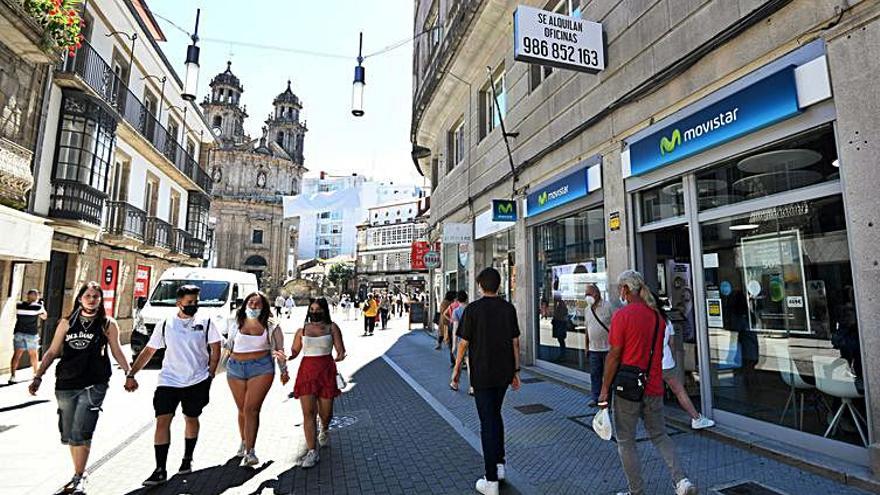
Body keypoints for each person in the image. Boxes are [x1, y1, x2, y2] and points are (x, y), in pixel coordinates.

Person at [598, 270, 697, 495]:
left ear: (625, 290)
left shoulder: (622, 317)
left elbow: (614, 356)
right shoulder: (657, 317)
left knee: (626, 441)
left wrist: (604, 390)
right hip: (653, 386)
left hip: (628, 390)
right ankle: (681, 481)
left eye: (619, 289)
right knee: (660, 435)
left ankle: (637, 491)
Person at [28, 282, 132, 493]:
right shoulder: (67, 322)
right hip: (66, 382)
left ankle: (79, 475)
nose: (92, 299)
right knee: (68, 433)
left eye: (96, 296)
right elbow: (52, 351)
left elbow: (117, 350)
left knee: (82, 429)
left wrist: (129, 373)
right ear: (80, 298)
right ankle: (78, 471)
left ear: (100, 300)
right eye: (88, 296)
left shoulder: (107, 323)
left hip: (95, 382)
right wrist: (38, 376)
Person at [126, 285, 222, 487]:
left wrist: (211, 372)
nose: (193, 306)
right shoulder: (166, 323)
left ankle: (187, 459)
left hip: (196, 380)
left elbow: (215, 346)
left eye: (196, 302)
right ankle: (160, 469)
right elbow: (149, 350)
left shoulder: (206, 322)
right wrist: (132, 373)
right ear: (179, 303)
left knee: (191, 418)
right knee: (162, 421)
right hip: (168, 380)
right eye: (189, 302)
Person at [451, 268, 521, 495]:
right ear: (499, 286)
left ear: (481, 285)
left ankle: (491, 480)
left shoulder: (473, 310)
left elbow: (463, 344)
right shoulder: (508, 308)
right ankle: (499, 467)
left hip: (482, 374)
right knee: (495, 417)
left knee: (487, 423)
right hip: (503, 373)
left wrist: (456, 371)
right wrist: (516, 371)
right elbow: (515, 342)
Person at [225, 291, 289, 466]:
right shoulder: (236, 321)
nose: (253, 306)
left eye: (257, 304)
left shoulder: (271, 326)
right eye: (251, 302)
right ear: (245, 304)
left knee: (251, 409)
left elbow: (281, 350)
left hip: (261, 368)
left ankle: (250, 452)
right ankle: (244, 441)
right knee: (242, 410)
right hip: (235, 368)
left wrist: (284, 371)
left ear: (264, 307)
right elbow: (229, 345)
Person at [290, 298, 346, 468]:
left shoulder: (332, 327)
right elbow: (294, 351)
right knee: (308, 413)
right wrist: (285, 357)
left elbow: (341, 350)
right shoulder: (302, 330)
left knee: (326, 413)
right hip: (307, 372)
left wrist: (340, 355)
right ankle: (312, 451)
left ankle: (324, 429)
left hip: (326, 371)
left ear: (324, 310)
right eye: (312, 309)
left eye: (318, 309)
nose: (314, 312)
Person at [654, 298, 714, 430]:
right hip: (666, 362)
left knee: (651, 395)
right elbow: (672, 343)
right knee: (679, 391)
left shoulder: (646, 320)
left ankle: (652, 423)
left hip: (650, 365)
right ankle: (696, 418)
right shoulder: (666, 320)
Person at [9, 288, 47, 384]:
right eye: (37, 295)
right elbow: (44, 316)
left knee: (17, 354)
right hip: (31, 334)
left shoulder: (19, 305)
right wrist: (41, 305)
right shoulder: (38, 307)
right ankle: (35, 374)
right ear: (35, 296)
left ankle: (12, 376)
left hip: (19, 332)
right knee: (33, 354)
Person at [584, 284, 613, 407]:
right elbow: (587, 329)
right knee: (595, 374)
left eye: (588, 294)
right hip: (594, 349)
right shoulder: (587, 309)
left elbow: (616, 325)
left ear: (596, 293)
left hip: (608, 349)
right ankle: (595, 398)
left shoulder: (608, 306)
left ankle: (608, 399)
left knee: (608, 376)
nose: (587, 297)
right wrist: (586, 346)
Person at [449, 291, 471, 394]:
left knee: (458, 364)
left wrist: (454, 345)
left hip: (461, 341)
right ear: (466, 298)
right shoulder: (471, 309)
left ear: (457, 300)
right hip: (471, 340)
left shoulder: (456, 311)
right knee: (470, 364)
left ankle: (455, 383)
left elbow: (455, 329)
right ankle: (472, 387)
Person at [551, 295, 569, 362]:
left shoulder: (561, 304)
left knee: (561, 340)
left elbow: (562, 314)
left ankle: (562, 355)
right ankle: (562, 355)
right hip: (559, 325)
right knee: (560, 340)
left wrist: (556, 318)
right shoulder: (559, 304)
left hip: (560, 325)